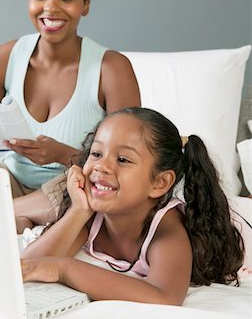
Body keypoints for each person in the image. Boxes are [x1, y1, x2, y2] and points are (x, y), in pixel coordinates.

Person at [0, 0, 140, 232]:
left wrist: (62, 155)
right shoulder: (3, 58)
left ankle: (7, 215)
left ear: (85, 4)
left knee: (75, 182)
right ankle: (20, 221)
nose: (51, 8)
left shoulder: (111, 68)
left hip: (70, 192)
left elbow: (129, 162)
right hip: (9, 182)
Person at [21, 107, 244, 305]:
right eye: (96, 154)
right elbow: (29, 265)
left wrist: (63, 268)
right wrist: (79, 210)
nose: (101, 166)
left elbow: (164, 297)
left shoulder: (167, 230)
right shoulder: (92, 215)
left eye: (123, 160)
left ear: (159, 183)